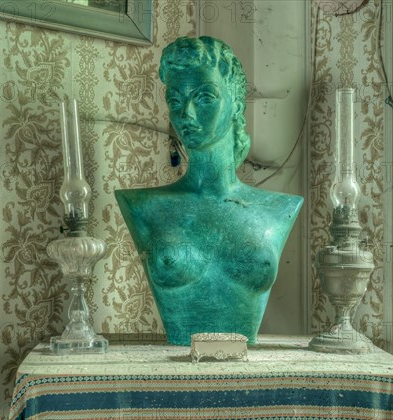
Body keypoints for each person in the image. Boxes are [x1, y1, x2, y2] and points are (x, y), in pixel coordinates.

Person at [115, 36, 303, 345]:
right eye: (175, 101)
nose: (186, 113)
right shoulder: (142, 205)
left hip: (247, 378)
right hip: (175, 374)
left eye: (204, 97)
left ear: (236, 103)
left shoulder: (279, 209)